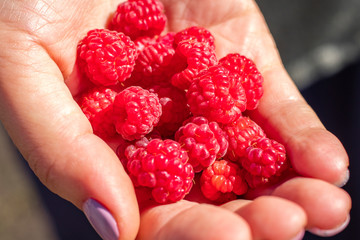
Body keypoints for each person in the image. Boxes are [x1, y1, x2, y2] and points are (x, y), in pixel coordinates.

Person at [0, 0, 351, 239]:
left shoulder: (212, 100)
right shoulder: (149, 89)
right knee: (92, 193)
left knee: (310, 195)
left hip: (340, 32)